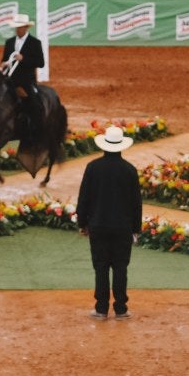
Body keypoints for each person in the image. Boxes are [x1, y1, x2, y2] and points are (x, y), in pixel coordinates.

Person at [75, 125, 142, 320]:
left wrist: (82, 223)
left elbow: (84, 198)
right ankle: (121, 308)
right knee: (121, 267)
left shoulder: (93, 168)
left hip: (98, 225)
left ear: (104, 146)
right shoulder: (130, 170)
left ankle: (101, 308)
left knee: (101, 267)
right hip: (123, 227)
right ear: (121, 146)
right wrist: (136, 229)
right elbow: (136, 203)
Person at [1, 12, 45, 137]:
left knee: (35, 104)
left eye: (20, 27)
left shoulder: (35, 43)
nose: (18, 30)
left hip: (26, 81)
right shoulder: (9, 42)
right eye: (16, 27)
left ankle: (37, 132)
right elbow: (5, 59)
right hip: (10, 80)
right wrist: (4, 63)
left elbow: (40, 63)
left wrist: (23, 59)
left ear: (26, 28)